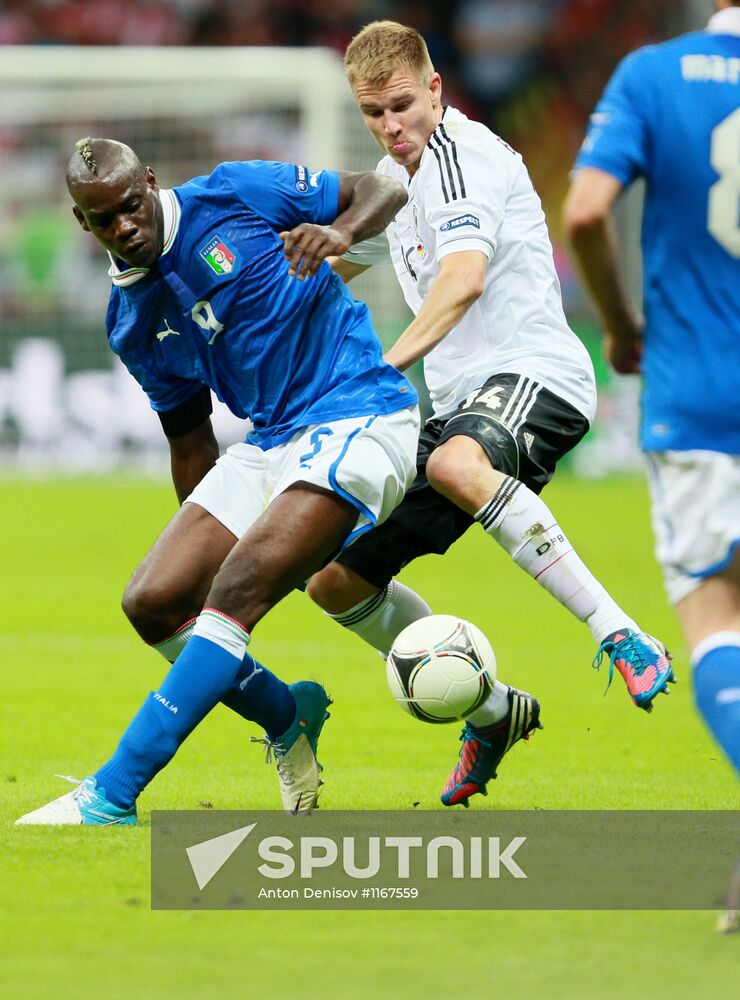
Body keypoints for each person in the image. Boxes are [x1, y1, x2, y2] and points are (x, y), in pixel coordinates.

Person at [291, 20, 674, 810]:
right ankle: (492, 710)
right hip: (466, 403)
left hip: (537, 374)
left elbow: (462, 280)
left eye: (401, 105)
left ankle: (619, 633)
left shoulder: (468, 158)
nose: (389, 126)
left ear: (435, 89)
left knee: (452, 464)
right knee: (330, 576)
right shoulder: (394, 180)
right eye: (372, 112)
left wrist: (380, 368)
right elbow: (341, 260)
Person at [16, 137, 420, 825]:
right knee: (155, 600)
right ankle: (287, 714)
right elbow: (189, 442)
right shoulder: (129, 320)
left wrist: (340, 231)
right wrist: (217, 543)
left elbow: (380, 189)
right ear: (82, 225)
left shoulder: (233, 193)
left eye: (131, 206)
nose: (124, 227)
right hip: (269, 442)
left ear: (149, 182)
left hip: (358, 408)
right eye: (105, 219)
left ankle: (112, 793)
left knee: (232, 597)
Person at [563, 0, 740, 932]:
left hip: (702, 395)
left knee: (718, 616)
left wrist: (620, 323)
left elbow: (588, 210)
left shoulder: (652, 75)